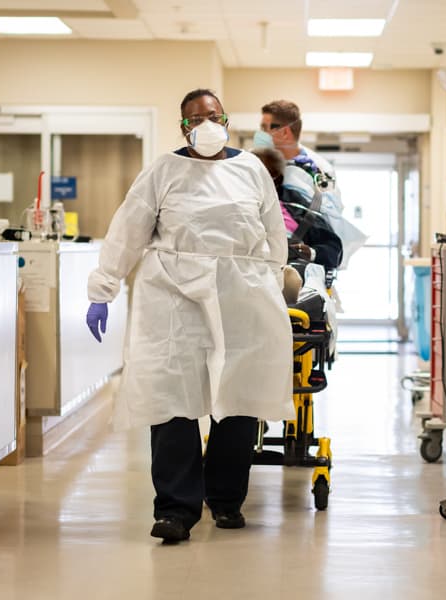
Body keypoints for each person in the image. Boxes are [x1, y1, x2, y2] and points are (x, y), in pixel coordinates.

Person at [85, 88, 293, 543]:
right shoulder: (163, 170)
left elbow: (273, 233)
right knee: (171, 401)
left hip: (242, 296)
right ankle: (176, 510)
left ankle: (225, 501)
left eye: (213, 115)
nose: (205, 124)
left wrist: (272, 287)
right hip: (174, 298)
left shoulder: (251, 169)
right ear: (182, 127)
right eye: (194, 119)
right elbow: (129, 229)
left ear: (226, 118)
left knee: (237, 402)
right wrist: (103, 286)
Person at [253, 99, 367, 268]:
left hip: (303, 254)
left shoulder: (318, 169)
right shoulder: (255, 162)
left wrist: (313, 252)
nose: (260, 134)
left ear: (284, 132)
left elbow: (330, 216)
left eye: (265, 128)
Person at [250, 146, 343, 272]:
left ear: (276, 178)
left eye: (256, 172)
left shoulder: (299, 207)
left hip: (290, 270)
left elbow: (333, 250)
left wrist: (310, 252)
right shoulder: (234, 203)